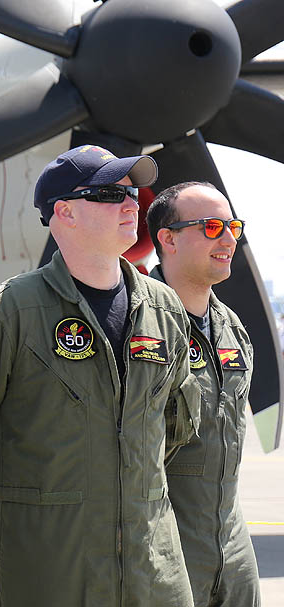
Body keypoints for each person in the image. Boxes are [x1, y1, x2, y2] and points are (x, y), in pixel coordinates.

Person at [0, 145, 201, 607]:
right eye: (111, 194)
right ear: (64, 212)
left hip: (154, 576)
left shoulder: (164, 308)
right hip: (52, 576)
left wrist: (123, 486)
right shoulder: (11, 311)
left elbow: (176, 423)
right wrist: (17, 503)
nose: (132, 204)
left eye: (132, 194)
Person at [147, 181, 261, 607]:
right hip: (161, 548)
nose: (229, 238)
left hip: (232, 546)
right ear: (168, 239)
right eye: (212, 227)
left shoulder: (233, 329)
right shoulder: (133, 326)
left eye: (233, 226)